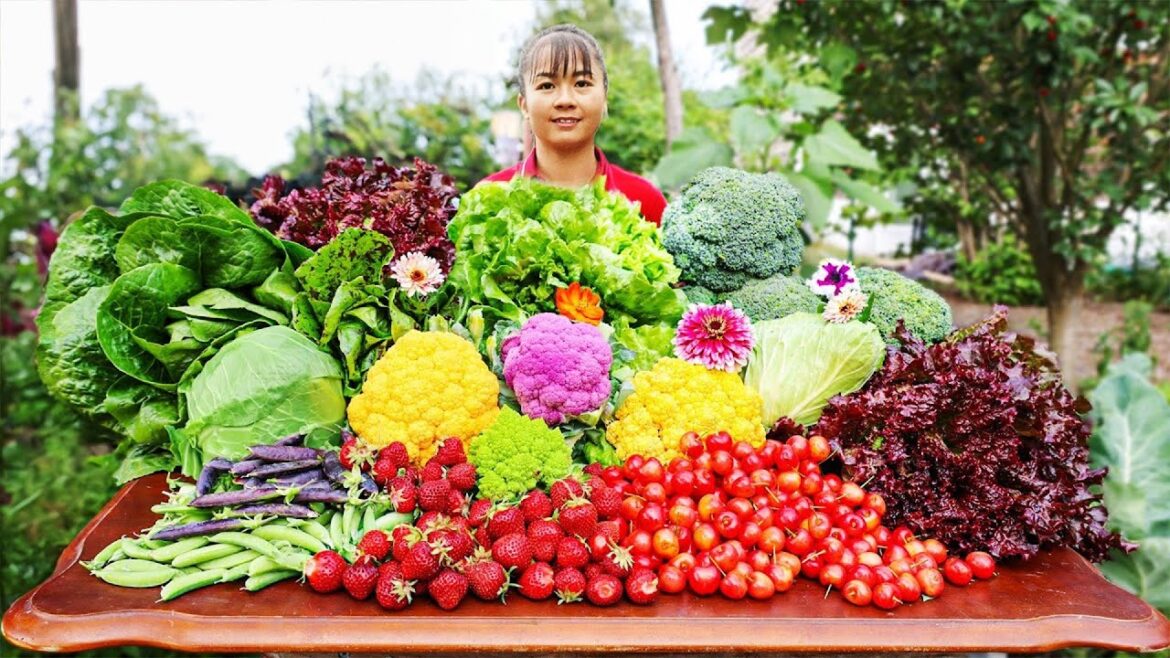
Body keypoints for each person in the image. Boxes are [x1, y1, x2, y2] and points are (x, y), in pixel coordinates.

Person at [482, 24, 667, 226]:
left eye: (581, 83)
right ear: (524, 105)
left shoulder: (645, 201)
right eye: (547, 86)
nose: (565, 100)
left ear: (604, 98)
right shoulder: (488, 198)